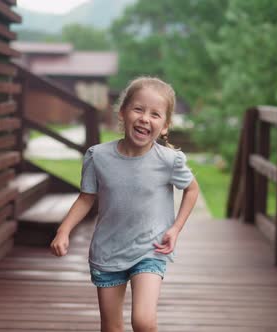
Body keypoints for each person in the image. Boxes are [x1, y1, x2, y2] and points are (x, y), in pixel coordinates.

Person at [50, 76, 199, 332]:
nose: (145, 118)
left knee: (143, 321)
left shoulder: (169, 160)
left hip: (150, 249)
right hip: (107, 251)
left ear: (164, 126)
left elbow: (192, 190)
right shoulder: (98, 157)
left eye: (155, 114)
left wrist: (175, 229)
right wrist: (63, 231)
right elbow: (86, 198)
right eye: (138, 109)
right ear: (122, 113)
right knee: (111, 327)